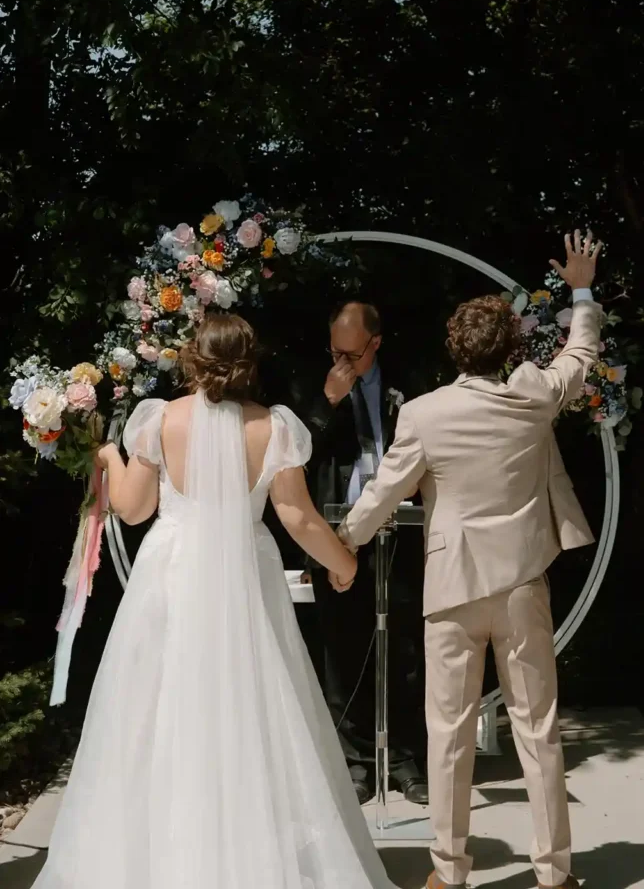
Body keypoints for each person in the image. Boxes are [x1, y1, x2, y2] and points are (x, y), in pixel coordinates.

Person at [33, 313, 396, 889]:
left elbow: (132, 509)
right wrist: (345, 563)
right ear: (250, 363)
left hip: (171, 576)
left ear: (193, 360)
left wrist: (107, 457)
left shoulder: (159, 421)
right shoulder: (273, 428)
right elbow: (297, 517)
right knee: (254, 709)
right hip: (245, 578)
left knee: (156, 710)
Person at [338, 233, 602, 889]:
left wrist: (344, 538)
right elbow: (582, 350)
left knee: (447, 735)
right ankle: (554, 875)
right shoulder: (538, 394)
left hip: (451, 588)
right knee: (538, 731)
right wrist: (582, 289)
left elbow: (382, 494)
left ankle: (448, 873)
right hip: (522, 586)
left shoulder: (426, 414)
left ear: (454, 350)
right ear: (511, 350)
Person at [290, 301, 428, 806]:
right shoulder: (313, 383)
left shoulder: (407, 382)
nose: (344, 360)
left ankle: (407, 759)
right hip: (336, 531)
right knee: (342, 648)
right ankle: (356, 761)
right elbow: (296, 456)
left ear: (377, 342)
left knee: (405, 647)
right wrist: (328, 401)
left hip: (401, 532)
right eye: (336, 350)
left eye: (353, 352)